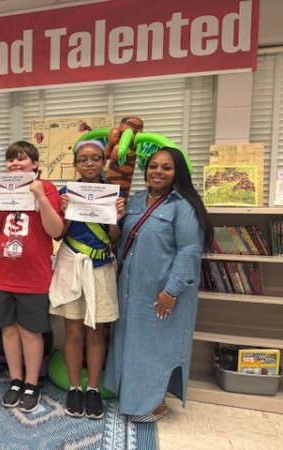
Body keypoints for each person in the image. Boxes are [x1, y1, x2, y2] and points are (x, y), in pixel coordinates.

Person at [104, 147, 213, 422]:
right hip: (130, 291)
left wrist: (171, 291)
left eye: (166, 167)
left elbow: (189, 250)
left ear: (178, 172)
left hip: (161, 292)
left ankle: (156, 403)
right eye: (153, 166)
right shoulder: (135, 201)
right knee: (133, 345)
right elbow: (120, 239)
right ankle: (133, 398)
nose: (158, 172)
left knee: (157, 347)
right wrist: (115, 218)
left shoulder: (183, 206)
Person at [0, 141, 64, 413]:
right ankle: (15, 380)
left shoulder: (46, 188)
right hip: (0, 275)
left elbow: (56, 230)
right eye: (11, 160)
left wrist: (40, 197)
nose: (15, 163)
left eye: (22, 159)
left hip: (33, 276)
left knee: (30, 332)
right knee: (8, 330)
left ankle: (31, 383)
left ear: (35, 164)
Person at [49, 140, 125, 419]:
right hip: (71, 265)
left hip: (101, 267)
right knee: (73, 332)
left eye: (95, 158)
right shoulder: (64, 193)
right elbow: (58, 234)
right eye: (83, 159)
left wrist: (116, 217)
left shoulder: (113, 194)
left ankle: (92, 389)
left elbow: (115, 238)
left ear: (103, 162)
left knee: (96, 332)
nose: (89, 163)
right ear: (75, 164)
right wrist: (67, 211)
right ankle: (74, 388)